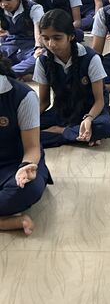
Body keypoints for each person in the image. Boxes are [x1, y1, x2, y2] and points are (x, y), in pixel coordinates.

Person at [35, 9, 110, 148]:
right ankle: (78, 135)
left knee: (105, 126)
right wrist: (27, 122)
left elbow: (99, 101)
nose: (51, 44)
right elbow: (44, 102)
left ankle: (60, 132)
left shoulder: (91, 58)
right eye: (45, 38)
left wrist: (89, 118)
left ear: (71, 36)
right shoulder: (42, 61)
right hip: (62, 111)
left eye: (57, 38)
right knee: (20, 131)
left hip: (91, 111)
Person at [0, 53, 51, 235]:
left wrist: (26, 166)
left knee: (23, 190)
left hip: (16, 164)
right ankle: (5, 222)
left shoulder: (22, 95)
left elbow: (32, 148)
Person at [0, 0, 43, 79]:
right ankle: (19, 74)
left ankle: (10, 74)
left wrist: (38, 48)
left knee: (41, 57)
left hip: (30, 47)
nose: (4, 4)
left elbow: (39, 35)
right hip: (9, 46)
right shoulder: (2, 9)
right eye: (0, 1)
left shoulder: (34, 9)